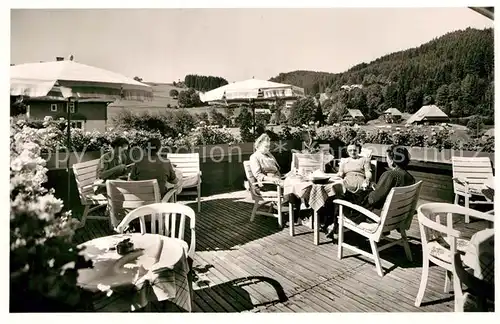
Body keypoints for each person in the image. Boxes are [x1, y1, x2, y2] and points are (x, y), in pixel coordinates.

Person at [249, 133, 302, 224]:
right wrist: (272, 180)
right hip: (267, 184)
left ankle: (296, 213)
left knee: (297, 182)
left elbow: (277, 169)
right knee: (292, 187)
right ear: (258, 145)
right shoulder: (254, 157)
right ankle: (293, 214)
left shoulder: (268, 154)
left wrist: (286, 175)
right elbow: (258, 175)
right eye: (266, 146)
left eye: (269, 146)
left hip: (277, 180)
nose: (268, 149)